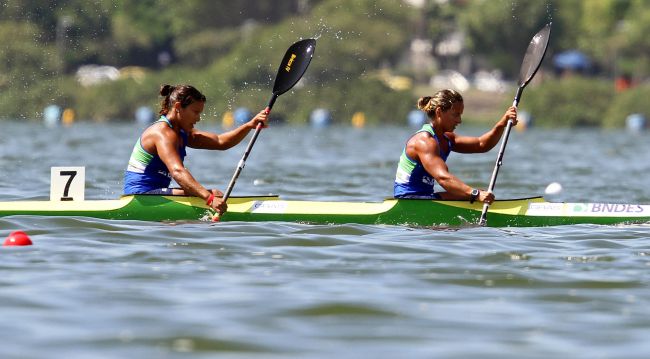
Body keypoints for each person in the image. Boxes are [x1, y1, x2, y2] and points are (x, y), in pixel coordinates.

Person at [123, 84, 268, 215]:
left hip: (156, 194)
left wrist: (249, 125)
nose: (198, 118)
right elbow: (177, 171)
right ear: (178, 107)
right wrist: (209, 198)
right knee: (213, 194)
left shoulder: (181, 132)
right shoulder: (162, 133)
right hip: (141, 196)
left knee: (211, 194)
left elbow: (220, 142)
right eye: (195, 112)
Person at [394, 89, 517, 204]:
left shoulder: (447, 138)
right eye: (456, 115)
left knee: (474, 194)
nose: (459, 120)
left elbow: (481, 144)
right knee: (473, 195)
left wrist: (502, 124)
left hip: (426, 197)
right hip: (409, 200)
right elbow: (443, 178)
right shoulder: (424, 141)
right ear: (439, 112)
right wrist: (474, 193)